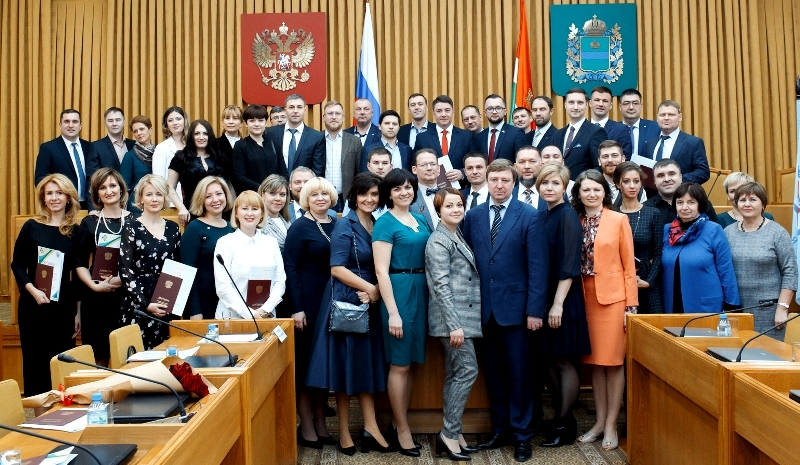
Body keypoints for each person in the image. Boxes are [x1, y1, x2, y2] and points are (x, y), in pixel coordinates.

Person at [461, 160, 548, 462]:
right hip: (483, 311)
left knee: (520, 375)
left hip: (518, 311)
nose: (499, 185)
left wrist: (535, 310)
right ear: (486, 181)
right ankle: (500, 430)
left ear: (514, 183)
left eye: (504, 180)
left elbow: (538, 267)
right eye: (493, 180)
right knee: (495, 375)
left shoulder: (530, 216)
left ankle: (522, 435)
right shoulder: (472, 216)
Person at [306, 173, 392, 456]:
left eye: (374, 195)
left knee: (363, 367)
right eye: (364, 194)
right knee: (344, 370)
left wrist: (375, 290)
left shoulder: (376, 223)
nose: (369, 199)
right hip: (346, 302)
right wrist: (371, 288)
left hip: (368, 300)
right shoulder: (345, 223)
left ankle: (370, 427)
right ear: (354, 196)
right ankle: (344, 431)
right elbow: (337, 268)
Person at [571, 169, 637, 451]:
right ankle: (598, 421)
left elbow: (628, 266)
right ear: (578, 194)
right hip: (583, 298)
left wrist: (631, 305)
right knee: (594, 364)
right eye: (585, 190)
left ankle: (612, 423)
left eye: (596, 189)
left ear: (604, 191)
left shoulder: (619, 219)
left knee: (614, 362)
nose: (591, 194)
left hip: (613, 301)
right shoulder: (576, 220)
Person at [373, 168, 431, 457]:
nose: (404, 192)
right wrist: (393, 313)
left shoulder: (420, 219)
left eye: (409, 187)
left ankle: (401, 422)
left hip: (421, 290)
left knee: (411, 364)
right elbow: (381, 272)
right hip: (398, 291)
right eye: (397, 188)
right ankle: (402, 428)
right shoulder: (384, 223)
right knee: (399, 364)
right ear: (389, 193)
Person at [536, 163, 591, 448]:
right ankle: (564, 420)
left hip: (563, 298)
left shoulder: (567, 216)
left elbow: (570, 265)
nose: (549, 188)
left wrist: (557, 304)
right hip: (546, 296)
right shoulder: (543, 215)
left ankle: (562, 423)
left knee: (564, 360)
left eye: (555, 183)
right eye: (544, 183)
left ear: (565, 187)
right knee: (547, 360)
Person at [425, 187, 481, 460]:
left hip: (460, 319)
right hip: (453, 321)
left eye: (459, 205)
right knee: (468, 371)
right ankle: (448, 434)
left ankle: (454, 433)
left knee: (455, 373)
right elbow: (441, 286)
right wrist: (454, 325)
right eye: (449, 206)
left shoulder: (454, 234)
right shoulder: (438, 240)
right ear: (438, 210)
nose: (456, 210)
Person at [12, 174, 80, 396]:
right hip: (34, 306)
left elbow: (78, 273)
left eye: (59, 193)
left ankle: (60, 418)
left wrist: (78, 313)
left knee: (61, 364)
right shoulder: (32, 227)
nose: (54, 198)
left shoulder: (75, 230)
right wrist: (33, 290)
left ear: (68, 197)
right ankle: (38, 421)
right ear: (43, 197)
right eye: (49, 193)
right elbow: (17, 265)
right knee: (35, 364)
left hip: (64, 308)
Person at [284, 177, 338, 448]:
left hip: (331, 301)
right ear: (306, 198)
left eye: (325, 194)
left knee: (323, 365)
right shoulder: (299, 227)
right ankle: (306, 425)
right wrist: (297, 308)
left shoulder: (337, 223)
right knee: (306, 365)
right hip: (307, 302)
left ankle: (321, 422)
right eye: (314, 194)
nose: (320, 198)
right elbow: (290, 269)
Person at [725, 182, 797, 339]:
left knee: (767, 358)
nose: (747, 204)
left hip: (768, 311)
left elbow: (790, 271)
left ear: (763, 204)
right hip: (736, 309)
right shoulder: (728, 232)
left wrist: (783, 308)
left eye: (753, 199)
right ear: (736, 204)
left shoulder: (777, 232)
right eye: (742, 200)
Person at [75, 169, 131, 365]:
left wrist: (123, 279)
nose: (109, 191)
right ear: (97, 193)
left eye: (113, 186)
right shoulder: (89, 223)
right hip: (96, 298)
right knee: (98, 357)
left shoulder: (135, 221)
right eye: (103, 187)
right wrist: (93, 285)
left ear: (121, 189)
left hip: (126, 298)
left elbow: (141, 263)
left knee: (127, 356)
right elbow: (79, 262)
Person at [119, 175, 181, 350]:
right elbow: (126, 272)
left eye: (159, 194)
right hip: (139, 305)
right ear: (140, 198)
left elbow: (177, 267)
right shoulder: (131, 227)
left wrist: (170, 303)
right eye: (149, 194)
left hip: (166, 304)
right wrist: (147, 304)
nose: (154, 199)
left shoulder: (173, 228)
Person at [660, 182, 740, 314]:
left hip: (705, 307)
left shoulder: (714, 229)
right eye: (680, 202)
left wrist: (732, 305)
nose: (684, 207)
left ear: (700, 205)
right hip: (672, 304)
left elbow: (726, 270)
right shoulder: (668, 230)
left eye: (691, 202)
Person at [213, 191, 285, 319]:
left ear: (262, 214)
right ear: (236, 213)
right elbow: (223, 287)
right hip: (232, 318)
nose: (250, 213)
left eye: (255, 209)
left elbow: (280, 281)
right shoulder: (225, 243)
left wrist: (264, 310)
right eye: (245, 208)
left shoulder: (271, 242)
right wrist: (250, 314)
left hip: (266, 316)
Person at [613, 162, 664, 314]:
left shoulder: (652, 213)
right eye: (626, 181)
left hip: (645, 281)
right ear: (618, 184)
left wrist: (648, 282)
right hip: (618, 282)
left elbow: (658, 253)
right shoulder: (611, 214)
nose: (632, 186)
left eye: (636, 181)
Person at [181, 176, 234, 319]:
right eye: (208, 196)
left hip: (229, 303)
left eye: (219, 194)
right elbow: (187, 271)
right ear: (201, 200)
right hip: (203, 305)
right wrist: (195, 310)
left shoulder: (232, 227)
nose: (215, 199)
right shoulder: (195, 228)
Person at [167, 119, 231, 225]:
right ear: (191, 136)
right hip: (193, 213)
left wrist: (231, 208)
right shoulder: (181, 157)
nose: (201, 137)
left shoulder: (220, 156)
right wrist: (182, 209)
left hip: (220, 212)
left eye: (205, 134)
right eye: (197, 133)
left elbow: (229, 185)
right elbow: (169, 187)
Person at [35, 109, 99, 209]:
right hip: (61, 205)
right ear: (60, 125)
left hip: (88, 205)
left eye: (75, 121)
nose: (70, 125)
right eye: (66, 121)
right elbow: (40, 180)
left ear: (80, 125)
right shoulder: (48, 148)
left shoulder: (90, 147)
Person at [643, 100, 710, 184]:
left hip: (681, 193)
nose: (666, 118)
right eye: (662, 115)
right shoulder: (649, 143)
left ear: (680, 117)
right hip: (654, 195)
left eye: (671, 115)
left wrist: (677, 181)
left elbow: (703, 172)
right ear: (657, 118)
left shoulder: (693, 142)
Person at [414, 95, 473, 182]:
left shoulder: (466, 136)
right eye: (439, 111)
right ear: (433, 114)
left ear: (453, 112)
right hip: (431, 187)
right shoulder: (422, 138)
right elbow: (416, 165)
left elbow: (473, 163)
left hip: (460, 189)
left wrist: (462, 173)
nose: (443, 114)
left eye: (447, 110)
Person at [645, 159, 719, 229]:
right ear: (654, 181)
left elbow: (715, 234)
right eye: (661, 176)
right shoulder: (646, 209)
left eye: (671, 174)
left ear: (680, 177)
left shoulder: (701, 203)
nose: (667, 179)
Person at [231, 104, 288, 194]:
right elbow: (239, 177)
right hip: (252, 196)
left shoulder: (274, 144)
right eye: (252, 121)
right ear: (246, 123)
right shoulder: (240, 146)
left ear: (265, 123)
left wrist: (278, 190)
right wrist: (262, 189)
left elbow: (283, 172)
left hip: (275, 195)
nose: (257, 124)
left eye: (261, 120)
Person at [552, 88, 607, 180]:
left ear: (587, 105)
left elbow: (599, 166)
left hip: (583, 189)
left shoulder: (596, 132)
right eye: (571, 102)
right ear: (565, 105)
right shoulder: (557, 134)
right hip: (559, 188)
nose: (575, 107)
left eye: (580, 103)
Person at [267, 93, 325, 175]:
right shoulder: (270, 133)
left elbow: (317, 171)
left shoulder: (316, 137)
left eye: (299, 107)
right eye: (291, 107)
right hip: (276, 186)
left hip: (304, 186)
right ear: (285, 110)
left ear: (304, 111)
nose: (295, 111)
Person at [322, 100, 362, 209]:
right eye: (330, 114)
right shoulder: (316, 139)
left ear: (343, 117)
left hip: (346, 198)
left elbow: (359, 172)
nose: (334, 117)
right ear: (324, 117)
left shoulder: (355, 141)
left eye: (337, 113)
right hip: (322, 197)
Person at [473, 94, 527, 163]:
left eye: (498, 108)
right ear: (485, 113)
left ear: (505, 111)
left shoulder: (517, 134)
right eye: (490, 108)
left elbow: (522, 161)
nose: (494, 112)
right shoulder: (479, 137)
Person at [120, 115, 156, 213]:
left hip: (157, 203)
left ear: (150, 130)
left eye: (142, 129)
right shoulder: (129, 156)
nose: (139, 133)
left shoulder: (159, 152)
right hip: (137, 206)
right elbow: (124, 186)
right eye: (135, 131)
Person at [588, 86, 633, 158]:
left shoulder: (621, 129)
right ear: (590, 103)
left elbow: (625, 159)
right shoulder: (583, 129)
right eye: (597, 100)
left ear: (611, 105)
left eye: (605, 101)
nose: (600, 104)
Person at [618, 88, 660, 157]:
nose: (631, 107)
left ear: (641, 106)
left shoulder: (655, 128)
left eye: (635, 103)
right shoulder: (614, 130)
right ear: (620, 107)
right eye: (626, 103)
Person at [152, 106, 188, 184]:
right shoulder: (161, 148)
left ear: (185, 121)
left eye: (178, 119)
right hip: (171, 194)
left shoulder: (193, 145)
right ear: (166, 125)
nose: (175, 123)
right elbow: (158, 180)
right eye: (170, 120)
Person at [408, 149, 441, 231]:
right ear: (414, 169)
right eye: (423, 165)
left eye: (433, 164)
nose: (429, 168)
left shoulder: (450, 193)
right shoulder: (408, 197)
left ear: (439, 168)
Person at [258, 174, 292, 251]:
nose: (278, 198)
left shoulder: (288, 221)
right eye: (272, 193)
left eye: (282, 194)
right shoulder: (257, 223)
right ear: (263, 195)